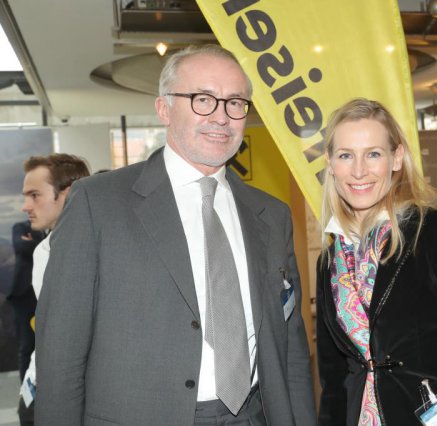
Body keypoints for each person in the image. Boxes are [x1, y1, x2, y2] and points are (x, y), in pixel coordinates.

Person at [35, 44, 315, 426]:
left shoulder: (272, 215)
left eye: (235, 102)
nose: (222, 116)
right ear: (164, 109)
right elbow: (61, 352)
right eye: (203, 99)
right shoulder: (97, 204)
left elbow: (290, 347)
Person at [315, 98, 437, 425]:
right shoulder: (330, 259)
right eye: (346, 155)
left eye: (373, 154)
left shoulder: (436, 232)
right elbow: (333, 378)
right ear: (330, 162)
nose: (359, 170)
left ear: (396, 158)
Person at [17, 153, 90, 425]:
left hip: (73, 396)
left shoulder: (98, 252)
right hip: (39, 387)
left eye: (35, 195)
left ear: (68, 194)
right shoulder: (43, 251)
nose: (25, 206)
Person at [7, 220, 44, 381]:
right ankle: (25, 389)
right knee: (27, 344)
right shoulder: (20, 227)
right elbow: (21, 246)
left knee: (47, 344)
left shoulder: (56, 228)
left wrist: (33, 242)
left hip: (45, 294)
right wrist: (45, 246)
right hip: (24, 296)